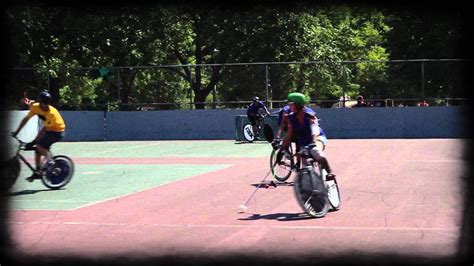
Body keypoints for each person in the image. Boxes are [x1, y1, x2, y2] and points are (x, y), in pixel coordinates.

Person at [279, 92, 335, 180]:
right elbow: (289, 135)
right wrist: (281, 150)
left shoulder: (309, 114)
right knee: (305, 169)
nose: (289, 107)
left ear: (297, 105)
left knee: (317, 153)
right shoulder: (291, 118)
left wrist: (313, 142)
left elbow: (314, 128)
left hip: (317, 138)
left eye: (290, 104)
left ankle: (329, 172)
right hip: (304, 143)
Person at [12, 91, 66, 182]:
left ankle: (50, 160)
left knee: (39, 145)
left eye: (47, 104)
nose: (45, 106)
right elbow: (26, 119)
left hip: (57, 131)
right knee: (37, 150)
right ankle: (38, 171)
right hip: (49, 129)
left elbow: (45, 129)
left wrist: (34, 141)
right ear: (40, 102)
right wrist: (16, 132)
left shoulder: (51, 113)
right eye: (43, 104)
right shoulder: (35, 107)